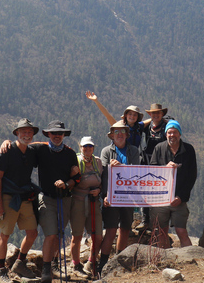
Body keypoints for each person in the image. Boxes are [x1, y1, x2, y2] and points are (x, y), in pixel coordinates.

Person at [0, 118, 42, 281]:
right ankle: (1, 271)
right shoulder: (8, 150)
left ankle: (20, 263)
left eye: (30, 132)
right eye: (23, 132)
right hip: (8, 197)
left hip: (25, 197)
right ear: (17, 134)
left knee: (32, 232)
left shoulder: (31, 151)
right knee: (5, 234)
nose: (27, 135)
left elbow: (46, 145)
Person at [33, 121, 81, 283]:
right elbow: (22, 148)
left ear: (64, 135)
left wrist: (66, 184)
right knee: (51, 234)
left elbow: (77, 178)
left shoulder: (70, 154)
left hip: (64, 199)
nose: (57, 136)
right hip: (47, 198)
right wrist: (7, 143)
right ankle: (46, 270)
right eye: (54, 133)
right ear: (48, 134)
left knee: (59, 234)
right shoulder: (40, 150)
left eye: (60, 133)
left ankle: (53, 265)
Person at [98, 120, 140, 271]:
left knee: (125, 229)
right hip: (111, 197)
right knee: (111, 229)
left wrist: (121, 167)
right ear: (112, 135)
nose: (120, 134)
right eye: (116, 132)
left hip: (128, 196)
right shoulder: (106, 151)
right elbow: (103, 174)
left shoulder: (134, 150)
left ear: (127, 135)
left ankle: (118, 261)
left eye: (122, 131)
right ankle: (102, 264)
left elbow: (136, 171)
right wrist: (104, 195)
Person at [149, 119, 197, 248]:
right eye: (169, 132)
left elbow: (191, 176)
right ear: (166, 134)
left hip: (179, 200)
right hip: (161, 199)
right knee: (161, 232)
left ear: (179, 134)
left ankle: (190, 257)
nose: (172, 135)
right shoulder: (159, 148)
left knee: (181, 231)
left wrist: (181, 197)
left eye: (175, 132)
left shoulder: (188, 150)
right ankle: (164, 257)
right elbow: (152, 171)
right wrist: (165, 168)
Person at [69, 136, 103, 278]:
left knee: (98, 236)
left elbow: (103, 181)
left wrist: (99, 190)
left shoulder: (98, 162)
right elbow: (70, 181)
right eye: (85, 146)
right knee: (77, 235)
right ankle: (76, 264)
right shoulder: (75, 162)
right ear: (80, 148)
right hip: (78, 201)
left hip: (94, 201)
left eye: (90, 146)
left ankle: (91, 262)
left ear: (93, 148)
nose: (87, 149)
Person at [139, 103, 173, 231]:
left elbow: (174, 128)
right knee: (145, 191)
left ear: (162, 114)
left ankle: (158, 222)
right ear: (150, 114)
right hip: (146, 162)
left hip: (162, 163)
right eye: (153, 113)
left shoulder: (167, 127)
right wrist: (150, 120)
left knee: (160, 192)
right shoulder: (146, 127)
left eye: (158, 113)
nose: (156, 115)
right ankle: (145, 220)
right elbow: (133, 126)